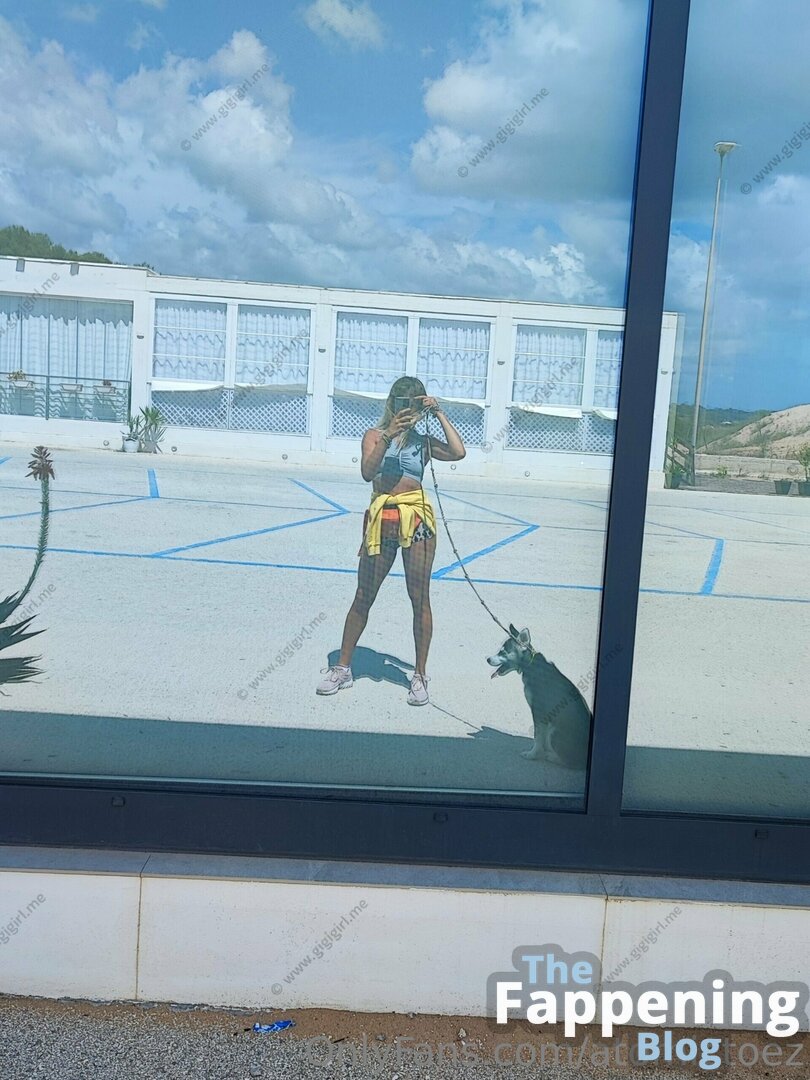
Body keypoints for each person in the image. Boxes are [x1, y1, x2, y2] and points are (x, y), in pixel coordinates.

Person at [316, 376, 466, 705]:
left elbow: (458, 452)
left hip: (417, 519)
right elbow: (367, 472)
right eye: (401, 404)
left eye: (413, 406)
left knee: (419, 597)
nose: (406, 411)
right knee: (363, 594)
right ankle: (342, 667)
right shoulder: (374, 435)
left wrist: (439, 412)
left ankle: (420, 674)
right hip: (382, 519)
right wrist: (389, 435)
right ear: (391, 403)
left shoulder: (423, 443)